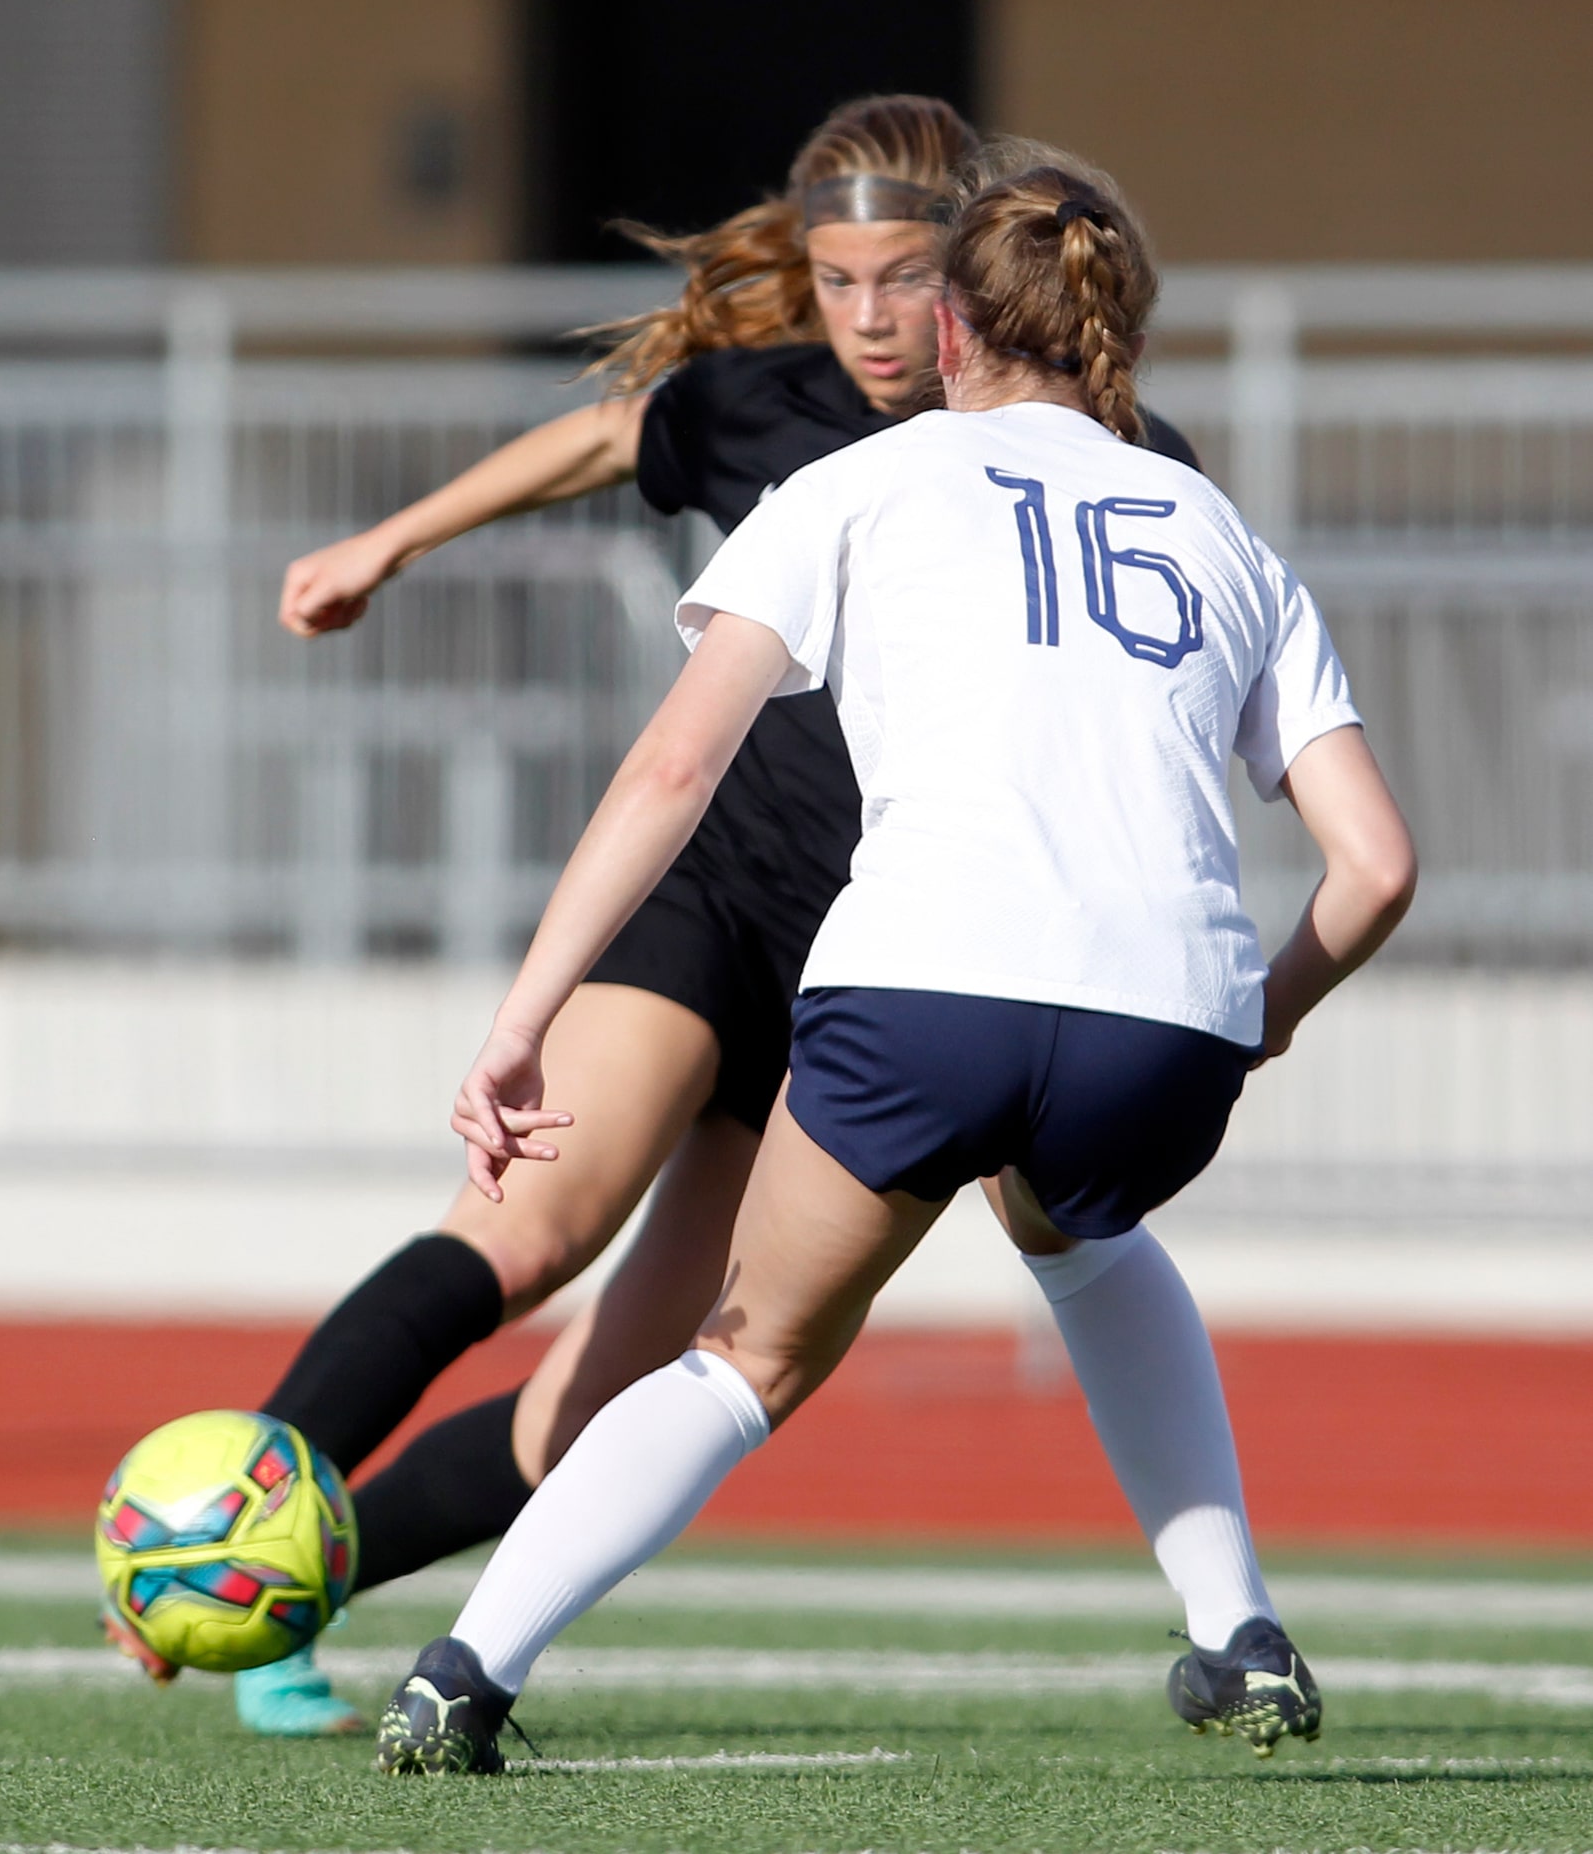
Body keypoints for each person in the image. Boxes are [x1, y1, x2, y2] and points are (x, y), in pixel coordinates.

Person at [127, 100, 1256, 1744]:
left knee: (604, 1401)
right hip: (713, 908)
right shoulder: (762, 406)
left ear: (976, 287)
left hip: (876, 971)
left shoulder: (1115, 457)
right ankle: (218, 1524)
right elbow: (593, 442)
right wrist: (391, 540)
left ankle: (296, 1590)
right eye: (836, 277)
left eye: (901, 278)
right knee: (523, 1228)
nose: (868, 316)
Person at [368, 148, 1417, 1778]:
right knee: (1075, 1224)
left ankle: (465, 1670)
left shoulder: (863, 484)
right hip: (1171, 1020)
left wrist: (521, 1022)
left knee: (748, 1354)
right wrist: (1258, 1017)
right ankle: (1239, 1632)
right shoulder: (1216, 526)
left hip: (925, 981)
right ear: (1115, 331)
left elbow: (668, 772)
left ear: (947, 335)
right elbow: (1379, 865)